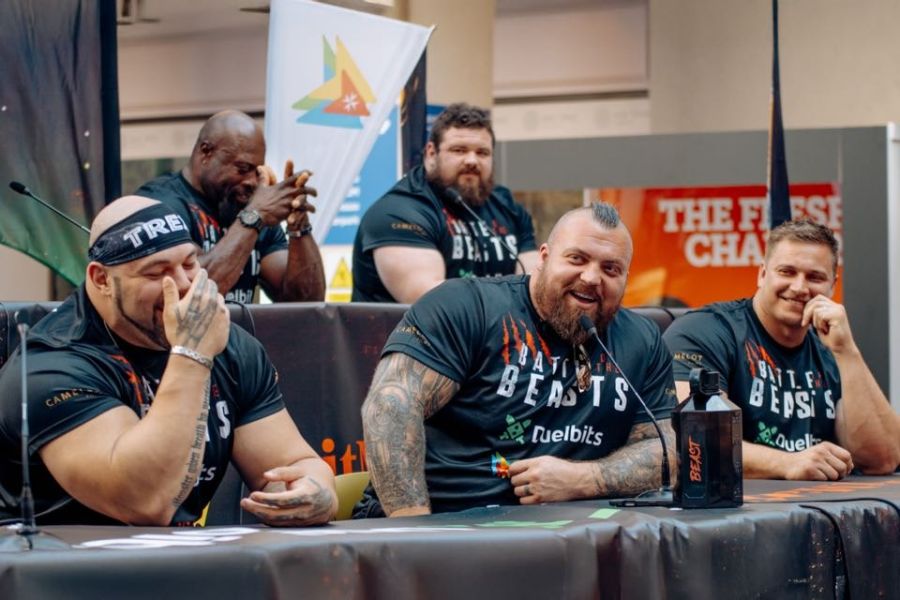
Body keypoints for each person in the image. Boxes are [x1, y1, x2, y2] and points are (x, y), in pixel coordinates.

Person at [0, 196, 337, 526]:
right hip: (56, 560)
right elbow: (145, 501)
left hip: (177, 557)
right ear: (102, 280)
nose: (184, 284)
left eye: (190, 264)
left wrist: (311, 492)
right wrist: (191, 354)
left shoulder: (228, 346)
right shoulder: (52, 364)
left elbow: (293, 463)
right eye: (156, 273)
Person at [357, 203, 677, 517]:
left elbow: (666, 451)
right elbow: (391, 406)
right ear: (543, 258)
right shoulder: (467, 306)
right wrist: (414, 531)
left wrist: (582, 480)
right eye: (577, 259)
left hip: (568, 532)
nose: (592, 277)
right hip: (444, 520)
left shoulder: (641, 341)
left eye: (611, 269)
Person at [663, 219, 900, 480]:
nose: (799, 287)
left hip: (819, 502)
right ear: (762, 274)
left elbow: (882, 459)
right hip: (735, 502)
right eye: (787, 272)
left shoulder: (833, 349)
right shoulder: (705, 331)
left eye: (815, 277)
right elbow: (689, 436)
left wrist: (847, 351)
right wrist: (786, 463)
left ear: (833, 285)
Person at [352, 103, 539, 304]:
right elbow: (433, 302)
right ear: (431, 154)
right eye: (459, 150)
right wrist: (511, 301)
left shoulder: (508, 207)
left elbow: (535, 287)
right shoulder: (398, 212)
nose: (472, 161)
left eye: (482, 152)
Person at [137, 109, 325, 304]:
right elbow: (194, 294)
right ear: (206, 153)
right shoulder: (160, 205)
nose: (253, 181)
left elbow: (307, 301)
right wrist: (255, 215)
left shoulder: (251, 207)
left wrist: (299, 226)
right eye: (242, 169)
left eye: (257, 171)